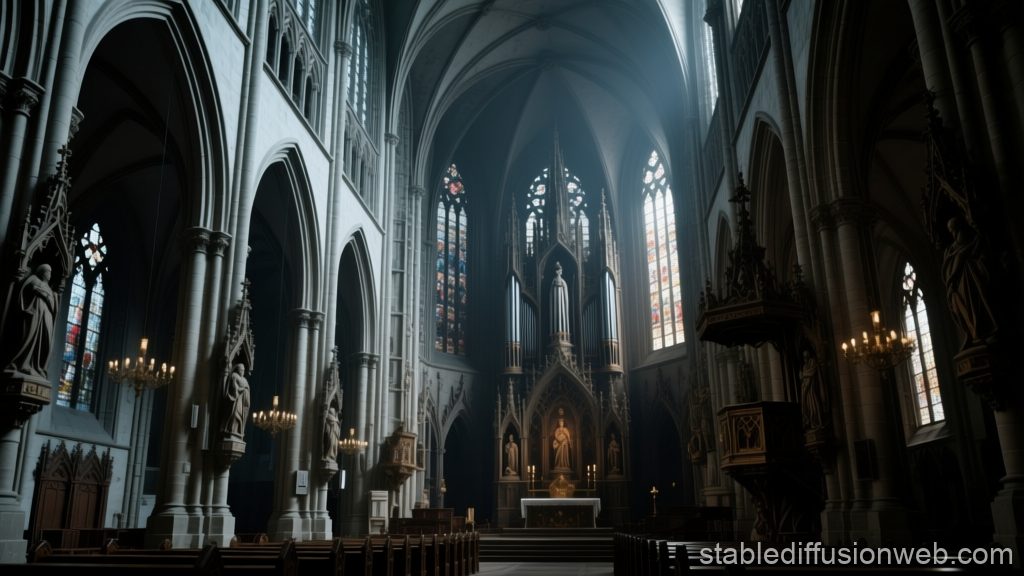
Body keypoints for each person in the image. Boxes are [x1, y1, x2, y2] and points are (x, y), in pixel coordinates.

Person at [942, 217, 997, 350]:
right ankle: (971, 333)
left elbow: (966, 252)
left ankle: (980, 331)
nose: (953, 234)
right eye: (951, 231)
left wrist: (952, 277)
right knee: (958, 303)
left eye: (953, 230)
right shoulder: (954, 246)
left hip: (969, 276)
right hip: (960, 281)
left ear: (958, 227)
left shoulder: (969, 237)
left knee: (973, 301)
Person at [6, 264, 57, 379]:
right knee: (29, 337)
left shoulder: (49, 288)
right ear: (42, 272)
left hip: (46, 318)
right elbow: (28, 289)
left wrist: (44, 294)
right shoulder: (33, 279)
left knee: (42, 341)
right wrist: (43, 294)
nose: (49, 275)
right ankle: (21, 363)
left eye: (50, 273)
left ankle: (36, 367)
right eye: (47, 272)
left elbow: (52, 305)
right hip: (34, 314)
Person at [799, 350, 826, 431]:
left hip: (811, 388)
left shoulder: (813, 362)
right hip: (805, 388)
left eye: (806, 354)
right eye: (804, 355)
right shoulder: (804, 366)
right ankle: (811, 422)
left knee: (813, 405)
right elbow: (802, 376)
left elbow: (810, 373)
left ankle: (817, 422)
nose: (805, 356)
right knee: (807, 406)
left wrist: (803, 374)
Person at [222, 363, 251, 437]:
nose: (243, 372)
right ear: (238, 369)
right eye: (241, 370)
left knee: (241, 415)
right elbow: (235, 389)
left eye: (244, 370)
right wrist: (243, 389)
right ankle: (231, 430)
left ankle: (238, 431)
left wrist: (245, 390)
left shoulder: (244, 379)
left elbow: (247, 388)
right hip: (236, 399)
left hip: (243, 401)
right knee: (235, 413)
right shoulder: (234, 375)